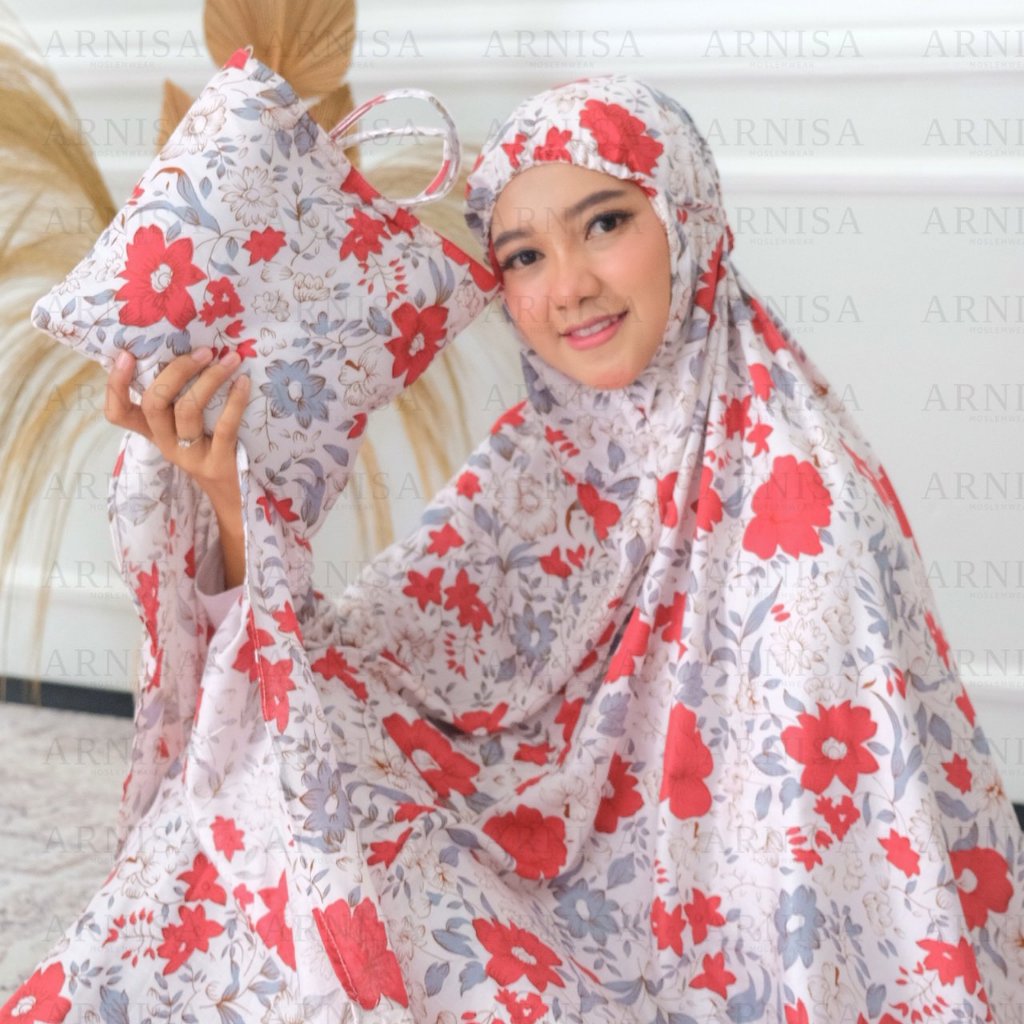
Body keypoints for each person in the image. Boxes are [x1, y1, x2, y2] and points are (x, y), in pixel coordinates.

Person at [4, 73, 1023, 1024]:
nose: (567, 287)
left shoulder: (799, 495)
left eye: (606, 224)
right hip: (523, 855)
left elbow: (802, 883)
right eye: (525, 256)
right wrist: (234, 502)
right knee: (283, 768)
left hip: (667, 941)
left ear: (689, 220)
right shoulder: (536, 455)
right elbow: (340, 669)